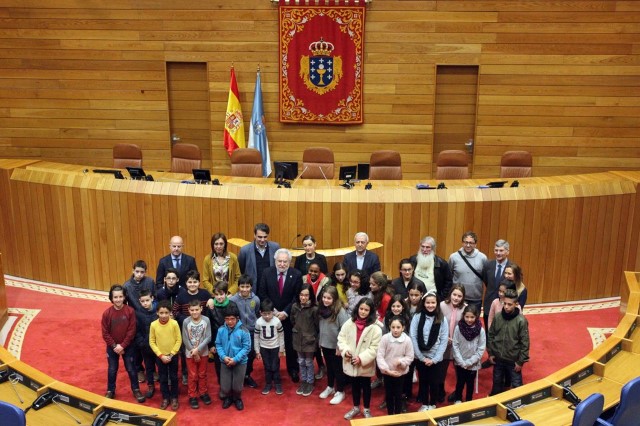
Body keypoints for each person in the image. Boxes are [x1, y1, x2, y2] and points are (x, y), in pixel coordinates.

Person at [257, 248, 303, 383]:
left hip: (289, 316)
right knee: (271, 344)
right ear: (275, 261)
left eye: (285, 261)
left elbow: (297, 296)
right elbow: (262, 293)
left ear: (289, 262)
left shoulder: (296, 274)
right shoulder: (267, 273)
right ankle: (271, 371)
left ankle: (293, 369)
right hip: (270, 316)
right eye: (280, 261)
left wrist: (285, 312)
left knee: (290, 344)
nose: (282, 264)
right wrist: (274, 311)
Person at [338, 298, 382, 420]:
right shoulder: (349, 323)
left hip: (364, 364)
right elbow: (341, 339)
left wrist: (361, 358)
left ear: (371, 311)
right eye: (361, 309)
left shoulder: (375, 328)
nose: (363, 312)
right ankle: (356, 407)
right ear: (357, 309)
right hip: (351, 362)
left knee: (366, 387)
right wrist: (345, 351)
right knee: (355, 386)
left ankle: (366, 409)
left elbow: (375, 347)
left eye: (366, 310)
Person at [102, 285, 144, 402]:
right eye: (115, 297)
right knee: (112, 369)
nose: (118, 299)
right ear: (111, 298)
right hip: (112, 348)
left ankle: (136, 389)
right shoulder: (107, 313)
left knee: (131, 369)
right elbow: (105, 333)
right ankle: (110, 390)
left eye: (120, 296)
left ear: (124, 297)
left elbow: (132, 331)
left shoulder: (130, 311)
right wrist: (115, 346)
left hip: (128, 346)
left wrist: (123, 345)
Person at [410, 290, 449, 412]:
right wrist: (421, 357)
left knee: (434, 382)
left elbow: (443, 340)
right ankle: (425, 403)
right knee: (424, 381)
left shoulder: (442, 319)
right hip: (421, 356)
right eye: (428, 303)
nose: (430, 305)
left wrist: (435, 359)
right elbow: (413, 337)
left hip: (435, 358)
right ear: (424, 303)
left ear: (437, 303)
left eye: (433, 303)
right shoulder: (417, 317)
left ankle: (432, 404)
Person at [172, 270, 212, 385]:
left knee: (202, 352)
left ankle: (202, 374)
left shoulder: (205, 294)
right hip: (187, 328)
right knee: (187, 352)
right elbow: (175, 311)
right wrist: (186, 319)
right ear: (186, 283)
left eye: (195, 282)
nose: (192, 284)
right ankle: (185, 372)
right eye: (190, 282)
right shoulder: (181, 296)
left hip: (202, 329)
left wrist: (211, 300)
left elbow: (210, 307)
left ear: (199, 282)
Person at [487, 289, 530, 395]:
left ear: (516, 304)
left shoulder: (521, 321)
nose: (506, 306)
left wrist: (520, 361)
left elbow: (525, 343)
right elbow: (491, 335)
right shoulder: (497, 317)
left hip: (513, 361)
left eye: (510, 304)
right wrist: (491, 353)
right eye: (504, 303)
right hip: (498, 359)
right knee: (497, 384)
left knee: (517, 388)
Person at [215, 304, 252, 411]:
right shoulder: (221, 330)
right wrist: (223, 356)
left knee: (237, 386)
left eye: (232, 319)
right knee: (225, 387)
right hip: (225, 361)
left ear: (237, 318)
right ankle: (228, 397)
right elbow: (218, 344)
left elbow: (247, 348)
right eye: (227, 319)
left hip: (240, 362)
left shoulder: (244, 330)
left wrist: (235, 359)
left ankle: (237, 398)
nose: (230, 322)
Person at [317, 286, 349, 405]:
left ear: (334, 299)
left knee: (338, 369)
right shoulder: (321, 309)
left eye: (329, 298)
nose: (325, 300)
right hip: (325, 344)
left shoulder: (339, 311)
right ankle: (330, 386)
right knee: (329, 368)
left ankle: (340, 391)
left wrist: (339, 346)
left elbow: (344, 329)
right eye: (324, 297)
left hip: (336, 346)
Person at [377, 315, 414, 415]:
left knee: (398, 394)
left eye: (398, 327)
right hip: (388, 372)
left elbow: (410, 357)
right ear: (389, 327)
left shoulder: (407, 340)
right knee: (388, 394)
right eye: (393, 327)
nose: (395, 330)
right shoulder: (385, 338)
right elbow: (380, 355)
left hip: (400, 373)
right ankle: (390, 414)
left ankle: (397, 414)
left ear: (403, 327)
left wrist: (402, 362)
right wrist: (387, 370)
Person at [149, 300, 182, 410]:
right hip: (161, 357)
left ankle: (174, 397)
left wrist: (172, 354)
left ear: (170, 313)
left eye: (166, 313)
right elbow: (152, 342)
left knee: (173, 377)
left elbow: (179, 340)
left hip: (173, 356)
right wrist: (161, 355)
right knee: (162, 378)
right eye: (161, 313)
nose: (164, 315)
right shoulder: (153, 325)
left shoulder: (174, 323)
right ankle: (165, 397)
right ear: (157, 312)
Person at [230, 274, 261, 389]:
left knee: (250, 354)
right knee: (239, 354)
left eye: (247, 286)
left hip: (252, 332)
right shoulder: (233, 300)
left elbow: (257, 313)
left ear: (251, 287)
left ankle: (247, 375)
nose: (244, 289)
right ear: (238, 287)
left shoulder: (256, 299)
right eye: (242, 286)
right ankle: (238, 376)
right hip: (238, 332)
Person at [452, 304, 486, 403]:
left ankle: (468, 401)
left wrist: (469, 362)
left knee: (470, 383)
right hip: (460, 362)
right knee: (460, 382)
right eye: (467, 317)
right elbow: (455, 345)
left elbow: (480, 349)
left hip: (473, 364)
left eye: (472, 317)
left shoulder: (481, 331)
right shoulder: (458, 328)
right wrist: (461, 362)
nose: (469, 319)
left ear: (476, 316)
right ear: (463, 316)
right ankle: (458, 399)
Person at [206, 281, 237, 385]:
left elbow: (237, 325)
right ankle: (223, 388)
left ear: (226, 293)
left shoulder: (232, 305)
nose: (219, 297)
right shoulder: (210, 307)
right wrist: (210, 345)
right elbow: (208, 326)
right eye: (216, 294)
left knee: (232, 365)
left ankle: (233, 389)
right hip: (217, 342)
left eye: (221, 294)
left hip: (231, 341)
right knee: (219, 367)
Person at [439, 285, 467, 403]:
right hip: (443, 344)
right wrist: (444, 337)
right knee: (441, 371)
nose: (456, 298)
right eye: (454, 295)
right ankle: (440, 392)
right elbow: (437, 323)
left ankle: (457, 393)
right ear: (450, 294)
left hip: (458, 345)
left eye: (459, 296)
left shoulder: (466, 308)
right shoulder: (441, 305)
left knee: (459, 372)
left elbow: (466, 326)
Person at [182, 299, 212, 409]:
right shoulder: (186, 322)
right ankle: (192, 395)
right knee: (193, 375)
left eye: (197, 310)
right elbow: (185, 339)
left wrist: (198, 350)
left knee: (202, 374)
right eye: (192, 310)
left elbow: (208, 337)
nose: (195, 312)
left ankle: (203, 393)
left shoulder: (206, 320)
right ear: (189, 310)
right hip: (190, 353)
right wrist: (194, 353)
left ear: (201, 309)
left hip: (203, 352)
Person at [448, 231, 487, 313]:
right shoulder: (453, 257)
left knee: (473, 323)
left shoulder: (482, 258)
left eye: (471, 243)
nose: (468, 245)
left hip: (475, 299)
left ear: (475, 244)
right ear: (462, 243)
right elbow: (449, 277)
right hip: (458, 298)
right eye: (466, 242)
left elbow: (485, 278)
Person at [291, 283, 319, 397]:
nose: (303, 298)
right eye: (301, 295)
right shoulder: (295, 306)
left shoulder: (314, 309)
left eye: (306, 295)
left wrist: (314, 337)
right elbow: (292, 320)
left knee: (308, 361)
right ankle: (303, 381)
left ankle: (310, 382)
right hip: (298, 338)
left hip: (310, 340)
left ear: (310, 296)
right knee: (301, 361)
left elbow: (317, 325)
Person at [254, 299, 285, 395]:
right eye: (264, 314)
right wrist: (257, 351)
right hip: (264, 348)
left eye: (269, 313)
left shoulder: (277, 321)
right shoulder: (258, 322)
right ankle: (268, 383)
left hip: (275, 347)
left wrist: (281, 349)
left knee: (275, 366)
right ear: (260, 313)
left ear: (273, 312)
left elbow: (281, 335)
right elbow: (256, 337)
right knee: (267, 366)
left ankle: (277, 383)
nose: (267, 316)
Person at [238, 223, 281, 289]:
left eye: (265, 237)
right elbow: (241, 269)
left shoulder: (275, 247)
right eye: (260, 237)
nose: (262, 240)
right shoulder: (245, 250)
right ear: (254, 235)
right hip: (253, 289)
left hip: (271, 288)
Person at [411, 236, 452, 303]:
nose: (424, 249)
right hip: (415, 298)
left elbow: (448, 282)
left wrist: (441, 297)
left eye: (428, 247)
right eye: (422, 246)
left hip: (433, 300)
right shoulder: (413, 260)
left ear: (433, 249)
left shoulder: (441, 263)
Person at [482, 239, 512, 327]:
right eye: (496, 250)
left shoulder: (512, 267)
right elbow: (486, 281)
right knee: (489, 332)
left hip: (505, 305)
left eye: (501, 250)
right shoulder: (487, 265)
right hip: (489, 304)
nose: (498, 253)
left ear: (507, 252)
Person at [134, 289, 158, 400]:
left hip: (158, 347)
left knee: (161, 367)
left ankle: (163, 385)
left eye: (147, 300)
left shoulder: (158, 311)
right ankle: (150, 386)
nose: (145, 303)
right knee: (148, 367)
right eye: (142, 301)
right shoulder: (137, 313)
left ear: (152, 299)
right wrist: (142, 343)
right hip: (145, 346)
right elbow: (137, 330)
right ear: (139, 301)